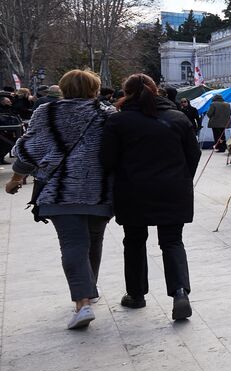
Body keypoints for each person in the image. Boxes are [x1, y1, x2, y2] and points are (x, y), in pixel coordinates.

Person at [4, 69, 112, 330]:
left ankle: (82, 302)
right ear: (94, 89)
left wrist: (16, 179)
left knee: (73, 244)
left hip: (60, 191)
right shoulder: (107, 114)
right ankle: (90, 288)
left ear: (63, 89)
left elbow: (30, 150)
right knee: (93, 240)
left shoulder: (47, 112)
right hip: (100, 190)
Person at [101, 74, 198, 321]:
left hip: (132, 190)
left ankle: (136, 294)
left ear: (126, 92)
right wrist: (182, 178)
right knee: (172, 241)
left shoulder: (119, 122)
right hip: (173, 189)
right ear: (156, 90)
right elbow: (193, 154)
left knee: (133, 241)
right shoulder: (178, 118)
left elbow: (107, 160)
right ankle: (179, 293)